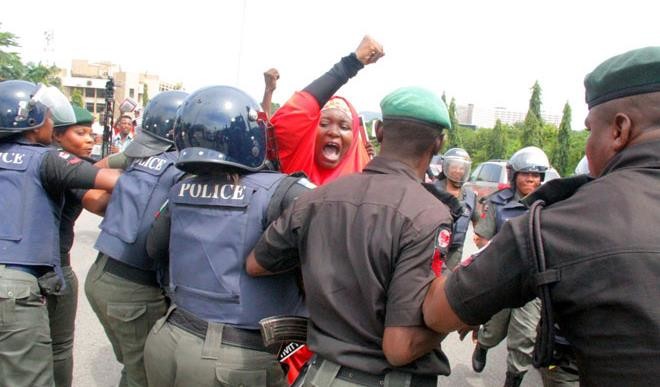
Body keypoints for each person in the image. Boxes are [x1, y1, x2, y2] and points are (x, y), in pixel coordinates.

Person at [423, 46, 660, 386]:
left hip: (500, 288)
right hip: (502, 289)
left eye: (591, 130)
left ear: (619, 130)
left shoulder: (559, 221)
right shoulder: (508, 204)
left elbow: (438, 309)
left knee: (522, 337)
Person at [246, 87, 454, 386]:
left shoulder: (315, 198)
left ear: (379, 131)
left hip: (315, 375)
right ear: (438, 143)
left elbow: (256, 264)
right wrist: (455, 314)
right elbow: (399, 348)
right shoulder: (429, 215)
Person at [142, 85, 312, 387]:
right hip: (237, 359)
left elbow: (154, 247)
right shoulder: (282, 190)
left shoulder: (179, 187)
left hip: (168, 339)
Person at [0, 80, 119, 387]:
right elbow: (109, 184)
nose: (52, 124)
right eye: (48, 117)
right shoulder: (47, 159)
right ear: (31, 121)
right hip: (23, 283)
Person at [85, 90, 188, 387]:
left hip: (101, 276)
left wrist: (128, 198)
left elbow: (93, 181)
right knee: (146, 376)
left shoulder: (139, 156)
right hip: (134, 291)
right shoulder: (184, 167)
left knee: (133, 369)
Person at [469, 146, 549, 387]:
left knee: (524, 337)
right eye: (526, 174)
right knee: (494, 330)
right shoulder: (498, 203)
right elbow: (482, 238)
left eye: (536, 175)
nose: (531, 179)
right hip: (501, 277)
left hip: (532, 282)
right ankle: (482, 346)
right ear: (514, 176)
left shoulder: (549, 204)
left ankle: (513, 379)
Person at [50, 103, 112, 387]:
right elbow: (96, 202)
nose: (90, 139)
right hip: (54, 267)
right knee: (59, 346)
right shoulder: (64, 166)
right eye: (80, 132)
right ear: (57, 135)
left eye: (91, 133)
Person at [268, 35, 383, 185]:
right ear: (309, 132)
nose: (333, 132)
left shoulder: (366, 181)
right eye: (323, 123)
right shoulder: (292, 165)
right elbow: (290, 119)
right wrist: (351, 64)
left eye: (344, 127)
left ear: (354, 138)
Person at [433, 148, 479, 271]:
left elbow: (479, 226)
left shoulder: (470, 196)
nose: (458, 171)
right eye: (454, 167)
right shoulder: (432, 190)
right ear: (446, 167)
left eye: (462, 168)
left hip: (455, 251)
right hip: (431, 247)